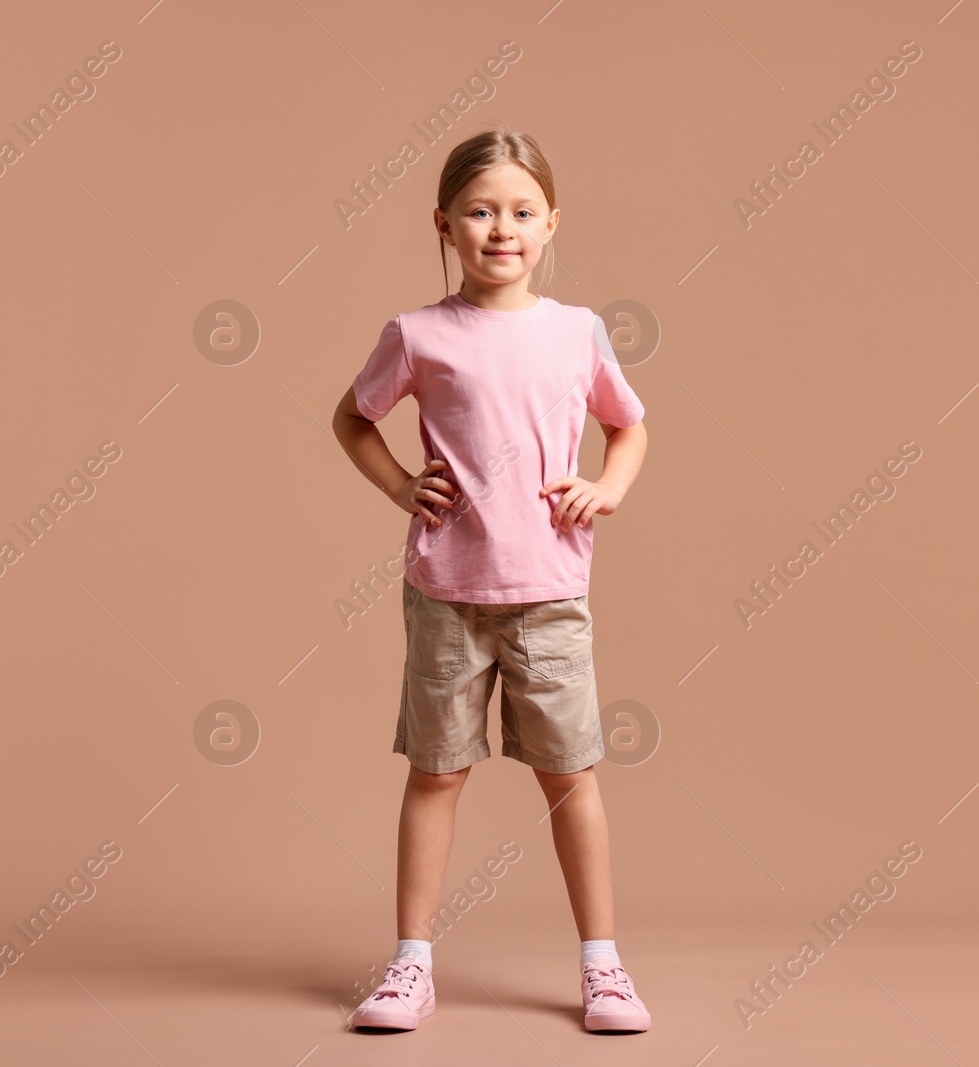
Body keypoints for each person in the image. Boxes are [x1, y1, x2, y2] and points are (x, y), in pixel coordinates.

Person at [330, 128, 652, 1034]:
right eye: (479, 211)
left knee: (571, 778)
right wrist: (401, 485)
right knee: (436, 774)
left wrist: (607, 489)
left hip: (550, 593)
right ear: (444, 225)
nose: (500, 228)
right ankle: (410, 965)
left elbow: (628, 427)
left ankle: (604, 967)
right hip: (447, 596)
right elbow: (353, 419)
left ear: (551, 223)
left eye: (519, 211)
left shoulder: (579, 332)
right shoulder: (419, 334)